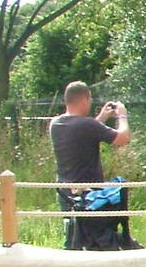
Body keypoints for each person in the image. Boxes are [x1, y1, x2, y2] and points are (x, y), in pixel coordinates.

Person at [50, 82, 135, 249]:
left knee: (73, 236)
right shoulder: (88, 125)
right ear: (85, 99)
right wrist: (122, 116)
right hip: (90, 196)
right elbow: (123, 138)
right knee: (94, 240)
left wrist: (101, 118)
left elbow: (82, 132)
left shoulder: (56, 124)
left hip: (66, 193)